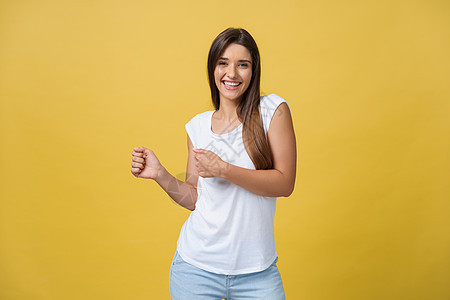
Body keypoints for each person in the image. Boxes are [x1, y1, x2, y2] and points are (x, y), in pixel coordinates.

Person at [130, 27, 296, 300]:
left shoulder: (272, 111)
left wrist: (225, 170)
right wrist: (160, 174)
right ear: (213, 69)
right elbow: (195, 199)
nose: (232, 73)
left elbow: (284, 182)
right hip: (196, 269)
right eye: (223, 63)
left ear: (253, 71)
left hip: (257, 272)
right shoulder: (197, 127)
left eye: (243, 64)